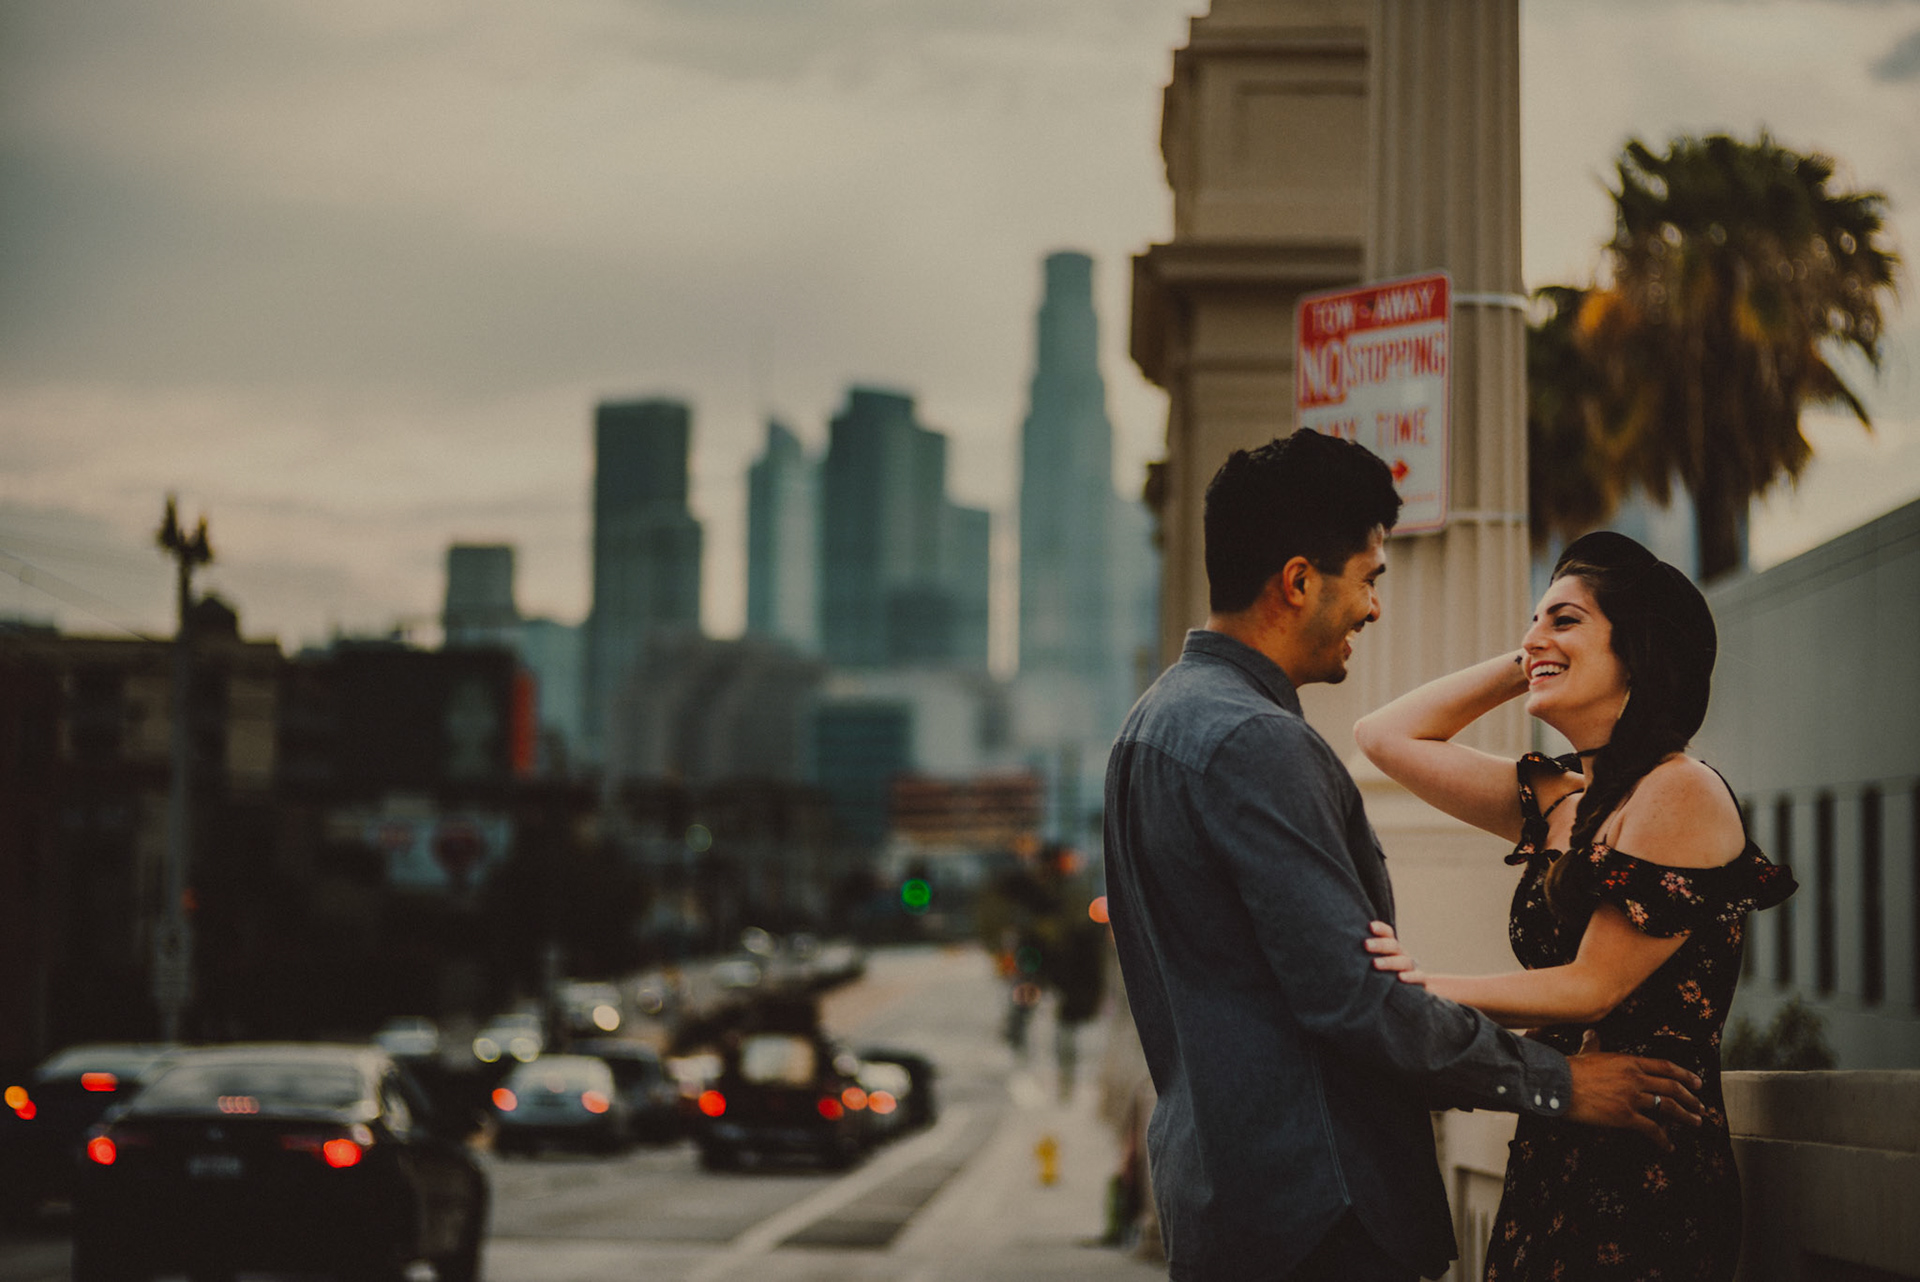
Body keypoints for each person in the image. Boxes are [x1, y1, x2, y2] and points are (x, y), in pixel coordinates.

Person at [1103, 431, 1708, 1282]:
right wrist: (1559, 1084)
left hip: (1233, 1203)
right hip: (1319, 1212)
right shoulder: (1257, 742)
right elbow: (1354, 1004)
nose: (1376, 609)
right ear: (1300, 581)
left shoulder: (1151, 729)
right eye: (1370, 579)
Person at [1354, 529, 1796, 1279]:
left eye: (1564, 619)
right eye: (1532, 621)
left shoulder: (1680, 789)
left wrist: (1409, 990)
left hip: (1645, 1171)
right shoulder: (1562, 798)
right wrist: (1535, 657)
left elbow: (1590, 988)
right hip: (1556, 1142)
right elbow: (1384, 735)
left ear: (1639, 651)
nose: (1533, 638)